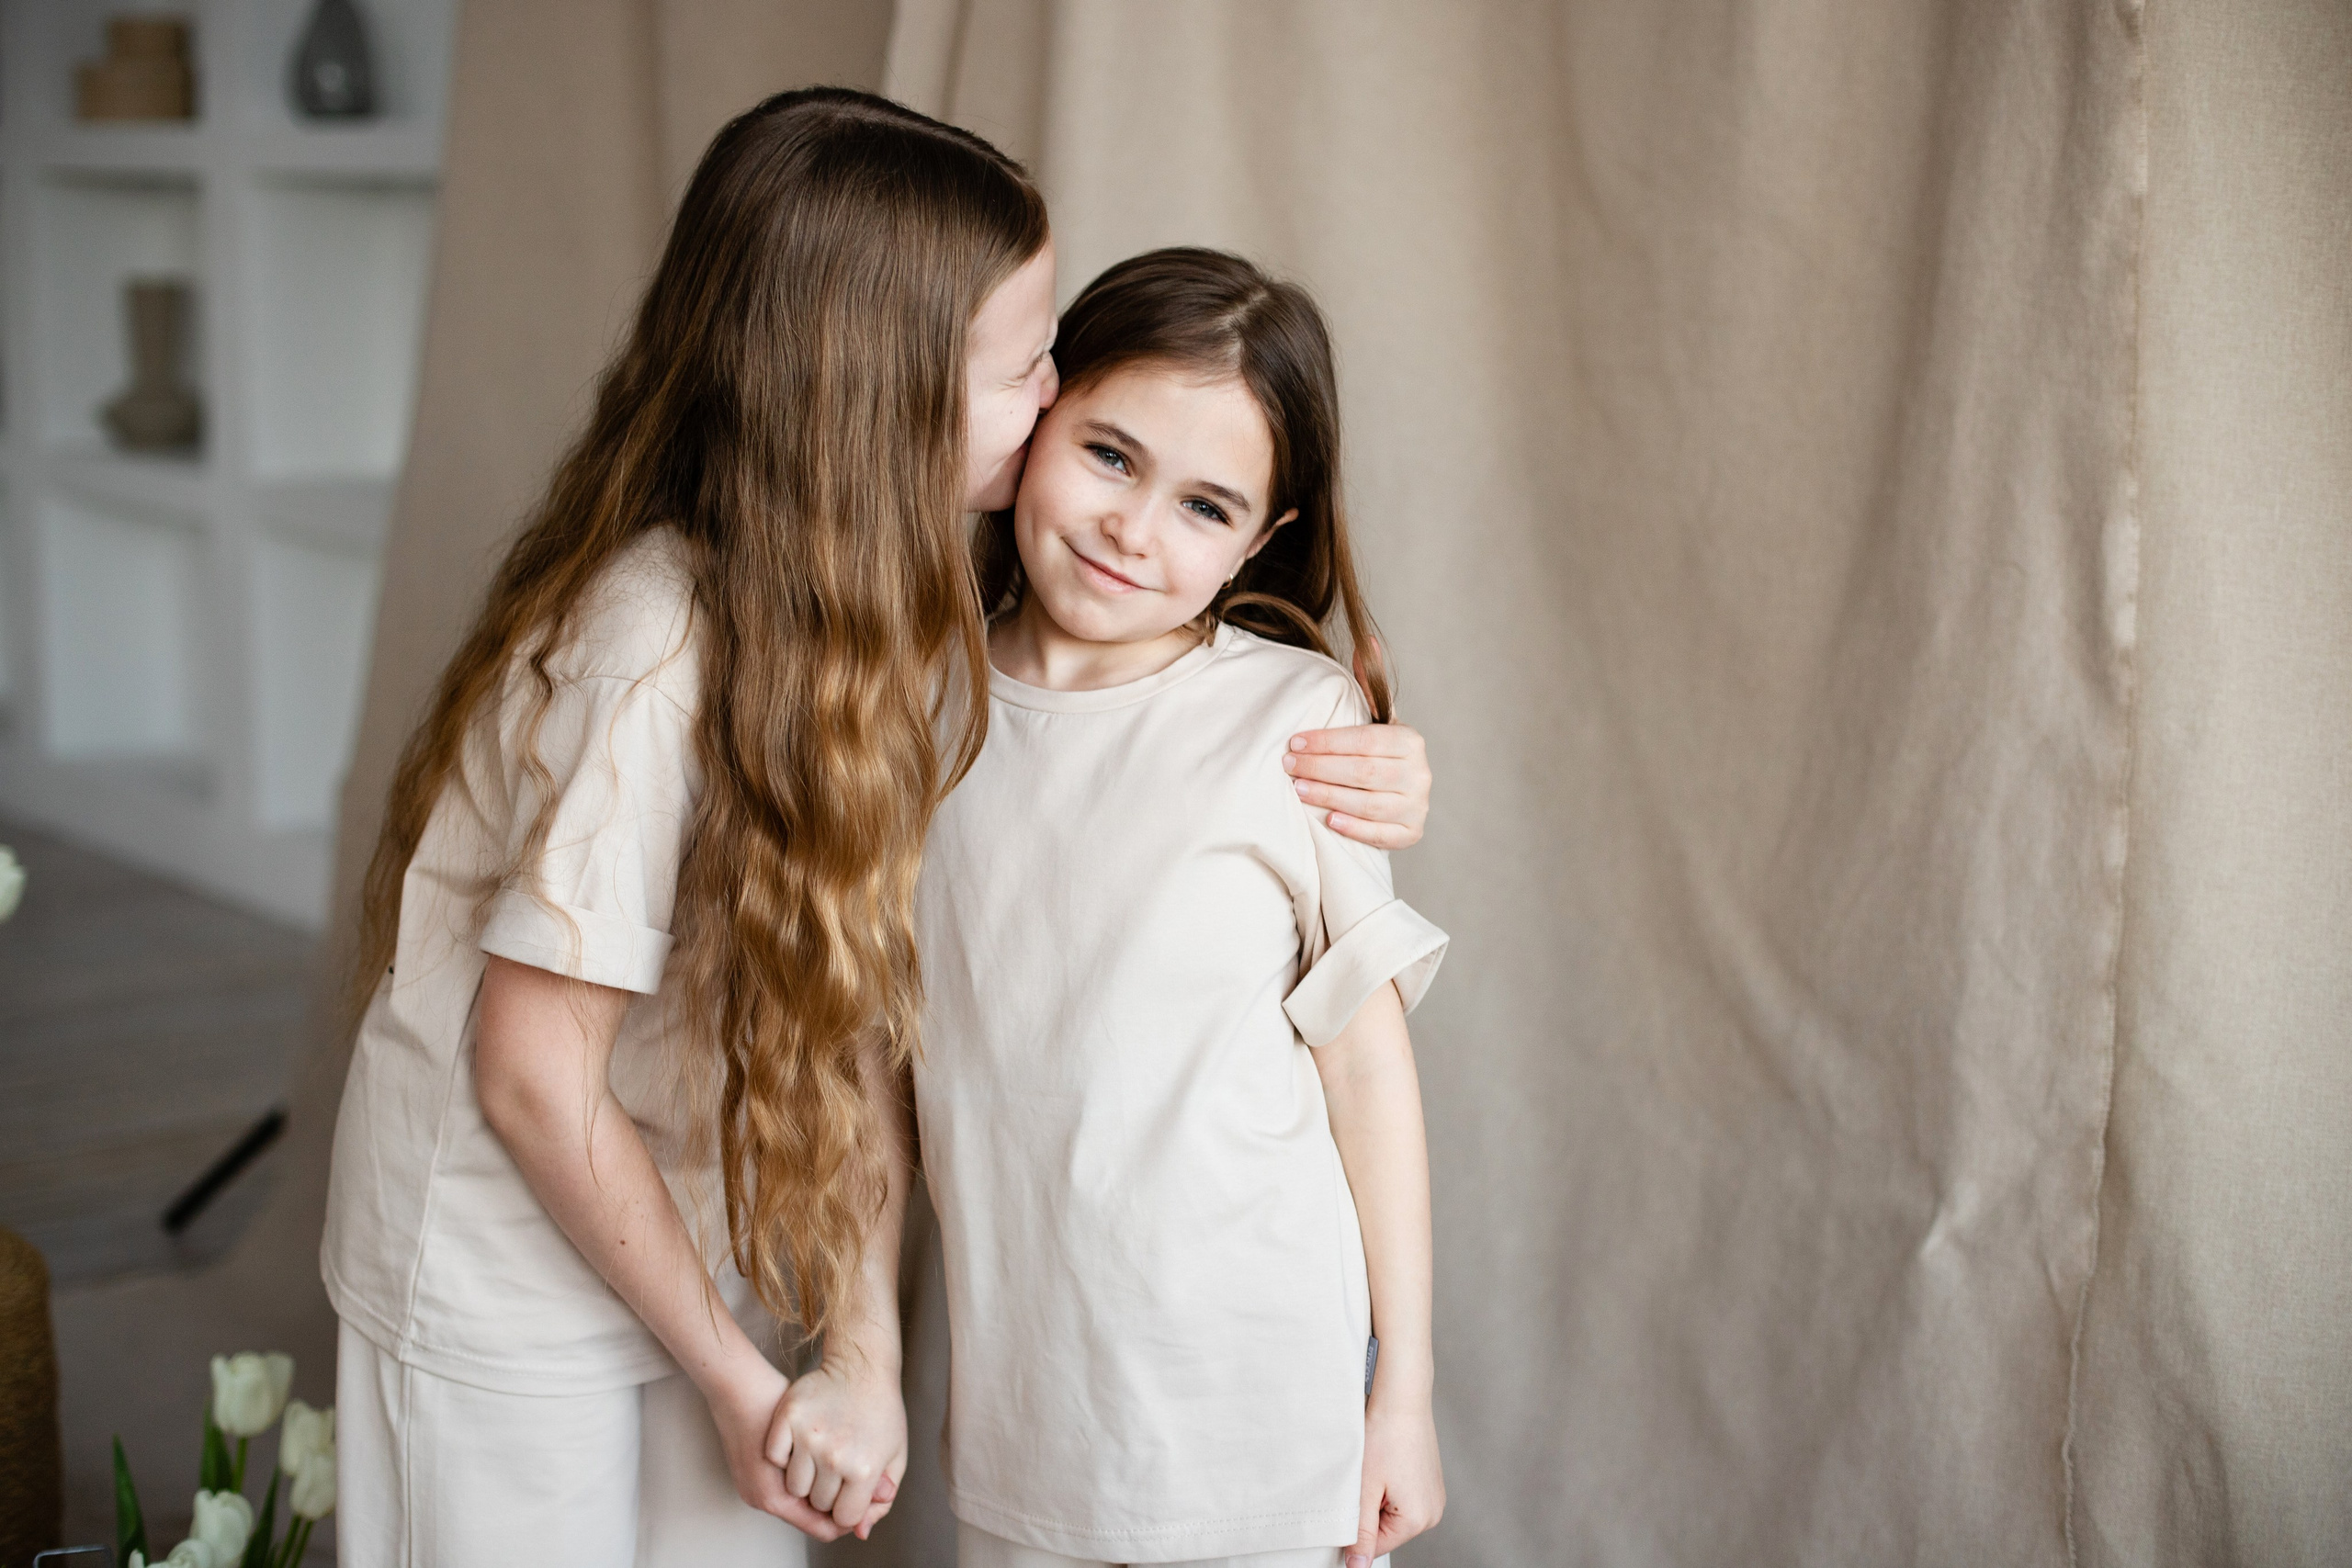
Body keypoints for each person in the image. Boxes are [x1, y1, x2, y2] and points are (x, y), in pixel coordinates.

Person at [319, 92, 1432, 1563]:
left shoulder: (887, 606)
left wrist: (1364, 768)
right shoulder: (653, 645)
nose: (1057, 396)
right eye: (1030, 367)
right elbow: (537, 1079)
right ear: (883, 390)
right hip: (509, 1254)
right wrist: (752, 1380)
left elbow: (890, 980)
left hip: (703, 1227)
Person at [918, 248, 1448, 1568]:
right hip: (1029, 1402)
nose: (1133, 529)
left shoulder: (1295, 720)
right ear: (1039, 412)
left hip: (1263, 1398)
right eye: (1109, 456)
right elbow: (874, 1066)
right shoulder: (916, 709)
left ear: (1260, 540)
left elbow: (1367, 1070)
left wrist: (1405, 1394)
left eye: (1205, 506)